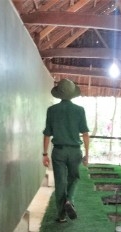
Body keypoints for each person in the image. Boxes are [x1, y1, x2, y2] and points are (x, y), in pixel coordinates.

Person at [42, 78, 90, 222]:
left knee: (60, 182)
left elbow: (47, 134)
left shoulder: (52, 110)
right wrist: (87, 154)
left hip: (58, 151)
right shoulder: (79, 110)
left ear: (59, 94)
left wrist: (44, 154)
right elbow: (85, 134)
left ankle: (61, 216)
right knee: (74, 177)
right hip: (75, 151)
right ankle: (69, 200)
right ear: (72, 94)